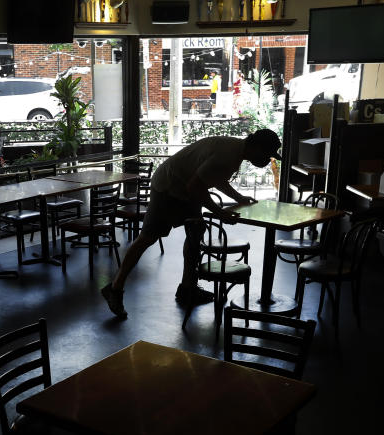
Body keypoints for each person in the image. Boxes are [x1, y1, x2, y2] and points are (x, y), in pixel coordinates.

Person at [101, 129, 283, 319]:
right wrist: (220, 212)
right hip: (168, 186)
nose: (267, 159)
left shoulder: (236, 150)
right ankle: (115, 288)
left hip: (185, 187)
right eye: (267, 154)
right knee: (148, 238)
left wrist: (239, 198)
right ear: (257, 147)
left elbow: (214, 179)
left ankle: (188, 288)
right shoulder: (228, 154)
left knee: (196, 231)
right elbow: (196, 186)